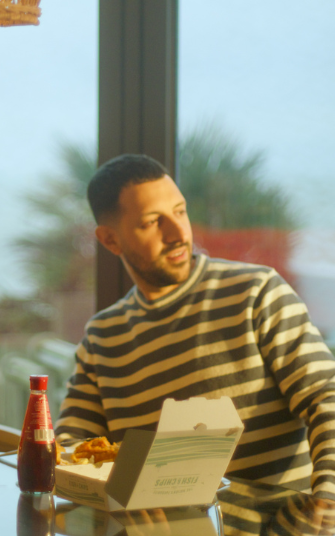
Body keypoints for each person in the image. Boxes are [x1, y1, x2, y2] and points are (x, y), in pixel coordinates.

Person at [55, 153, 335, 498]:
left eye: (179, 211)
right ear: (110, 240)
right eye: (152, 222)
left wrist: (327, 497)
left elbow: (326, 398)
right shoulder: (103, 336)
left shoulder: (256, 292)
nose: (178, 233)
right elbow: (72, 449)